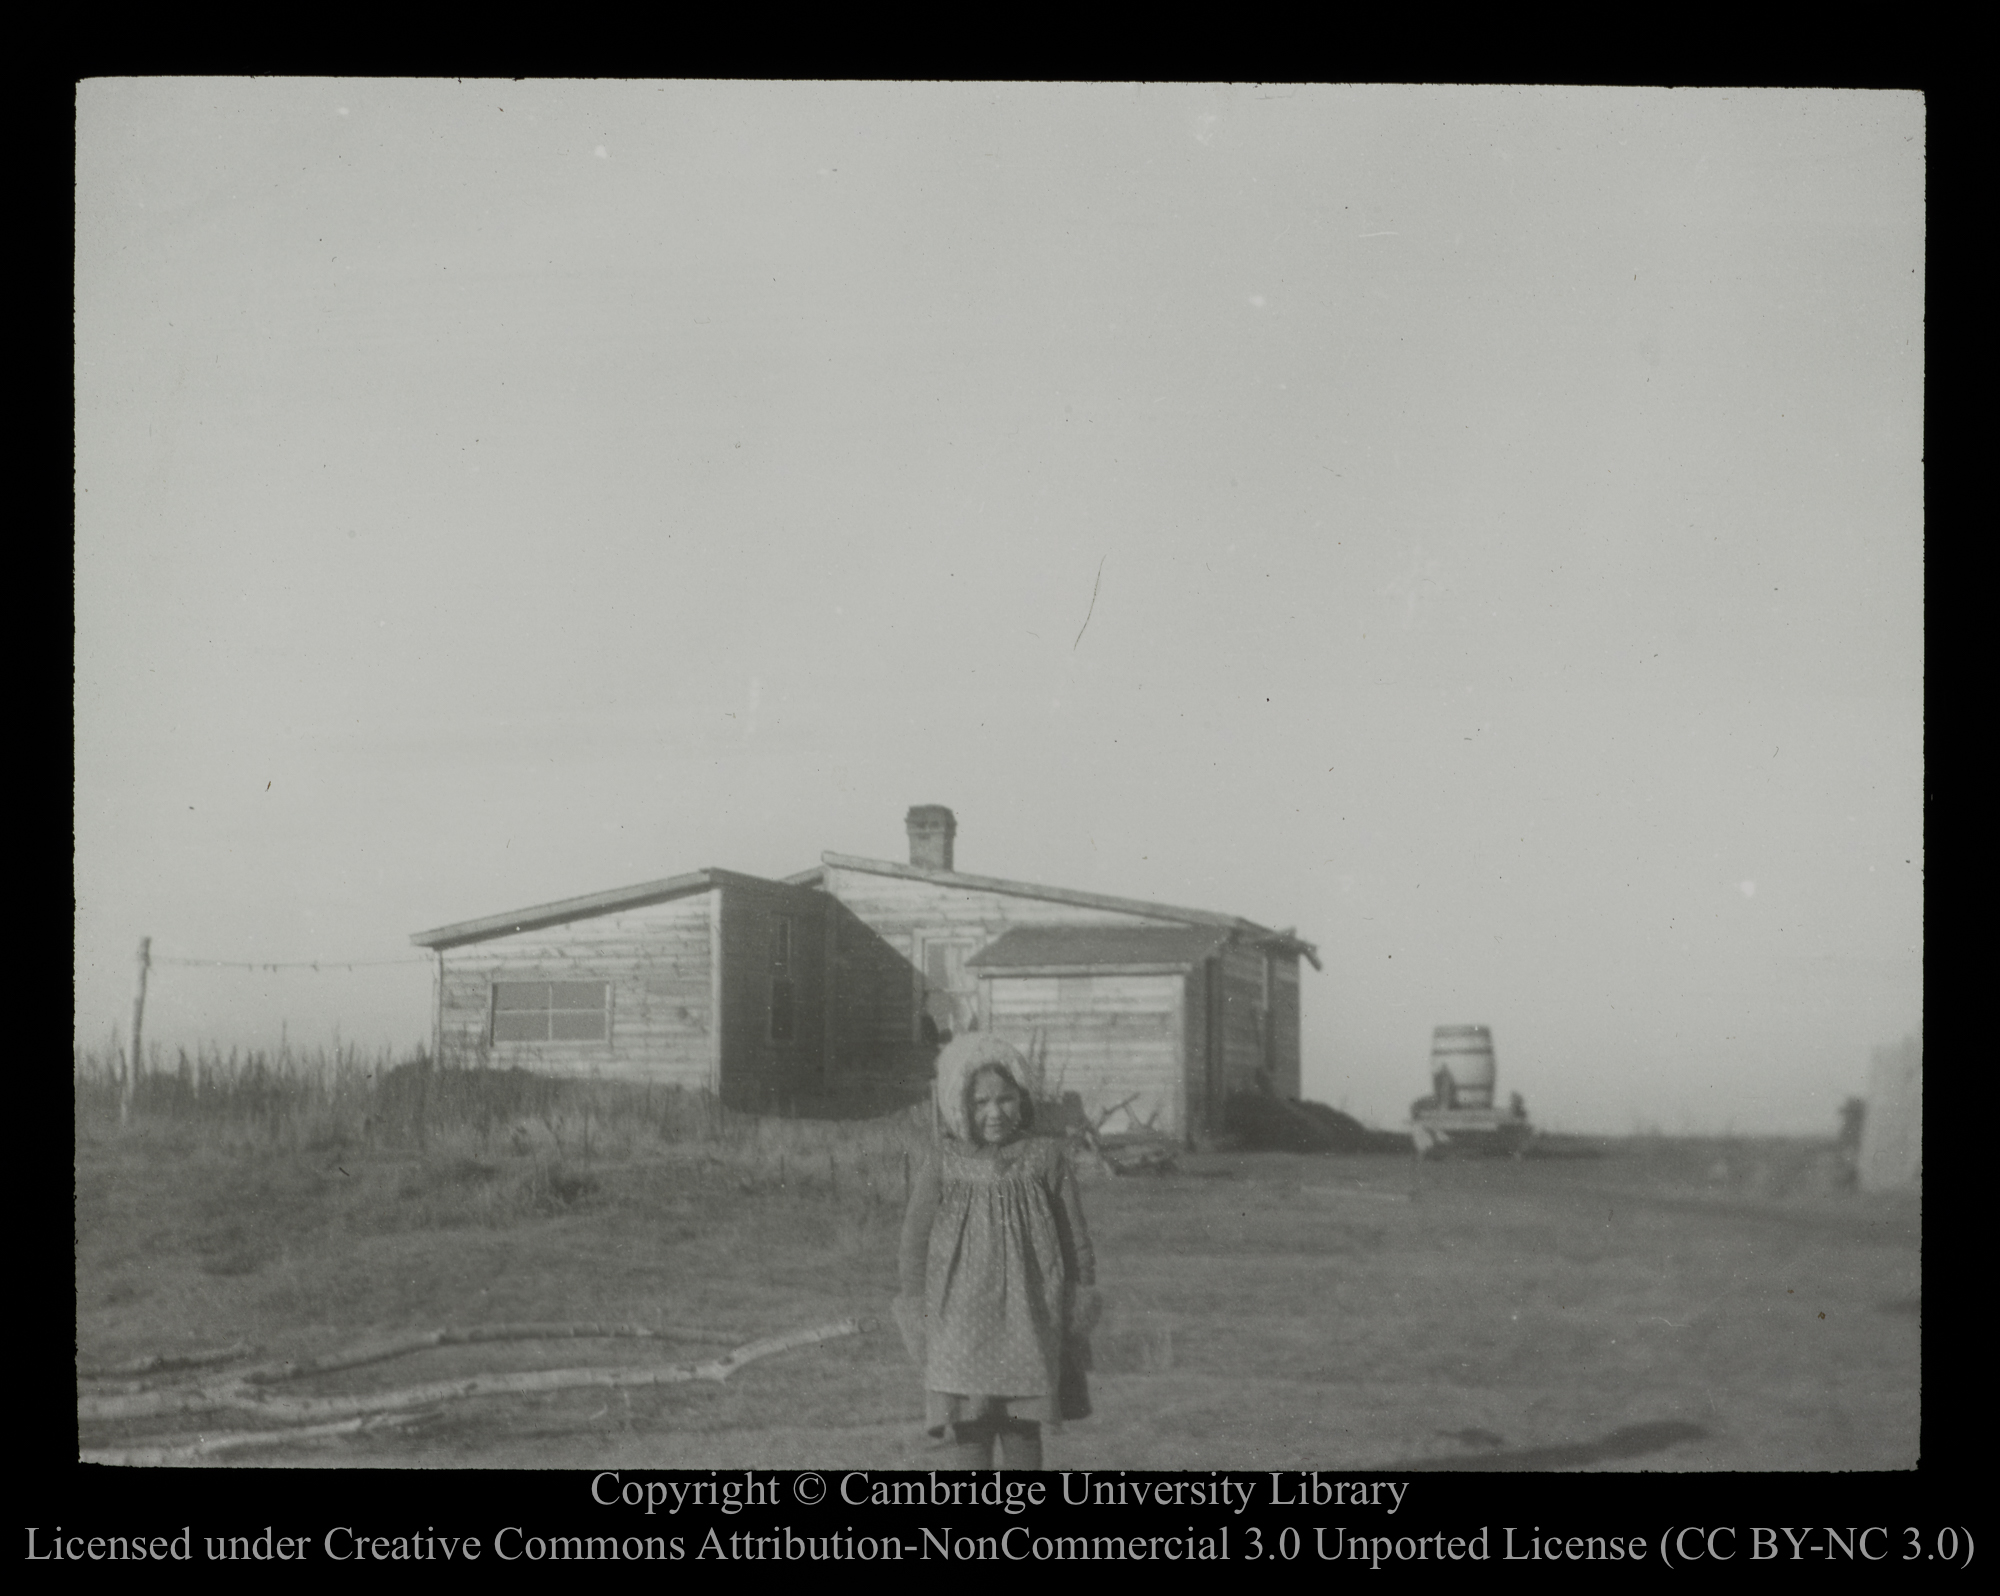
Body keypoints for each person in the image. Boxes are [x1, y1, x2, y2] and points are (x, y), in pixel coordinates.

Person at [893, 1034, 1098, 1471]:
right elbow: (914, 1244)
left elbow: (1074, 1238)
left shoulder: (1045, 1158)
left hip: (1031, 1319)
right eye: (981, 1102)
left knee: (1024, 1434)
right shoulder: (943, 1162)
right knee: (971, 1438)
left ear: (1022, 1099)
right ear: (959, 1106)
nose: (994, 1113)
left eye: (1005, 1100)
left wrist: (1077, 1305)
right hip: (960, 1324)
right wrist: (917, 1313)